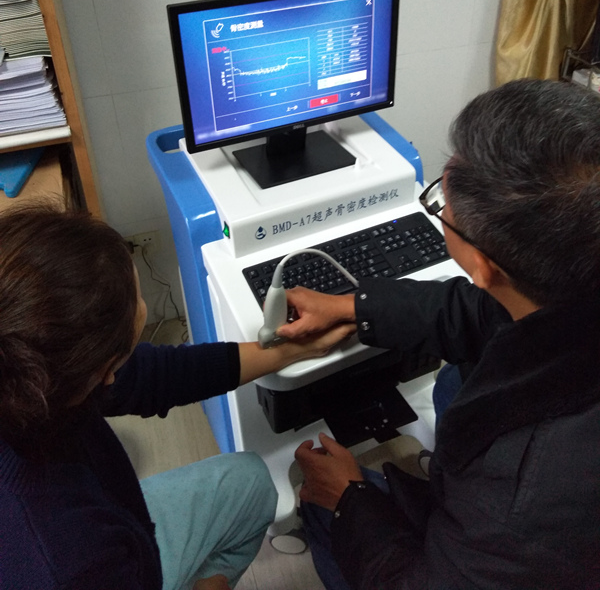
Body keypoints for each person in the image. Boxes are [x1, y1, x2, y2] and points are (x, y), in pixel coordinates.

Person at [279, 78, 600, 589]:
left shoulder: (524, 505)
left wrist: (347, 498)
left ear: (482, 264)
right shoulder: (567, 286)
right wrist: (352, 305)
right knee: (455, 381)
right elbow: (482, 312)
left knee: (323, 508)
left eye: (440, 201)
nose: (443, 204)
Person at [0, 204, 354, 590]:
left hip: (117, 521)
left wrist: (292, 351)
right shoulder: (69, 557)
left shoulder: (32, 375)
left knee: (250, 482)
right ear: (102, 373)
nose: (142, 306)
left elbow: (157, 375)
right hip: (114, 563)